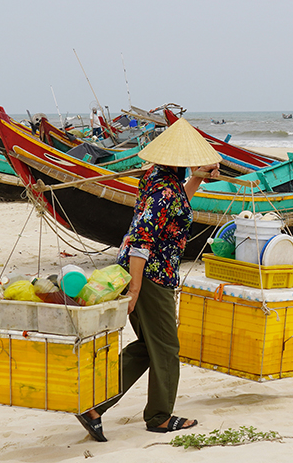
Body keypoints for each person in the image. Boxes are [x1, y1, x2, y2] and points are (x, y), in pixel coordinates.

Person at [75, 118, 222, 442]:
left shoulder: (157, 177)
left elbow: (175, 204)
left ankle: (93, 404)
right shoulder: (164, 190)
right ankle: (159, 417)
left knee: (148, 345)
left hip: (142, 271)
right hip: (151, 276)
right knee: (167, 347)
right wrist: (137, 290)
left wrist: (197, 178)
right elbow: (143, 237)